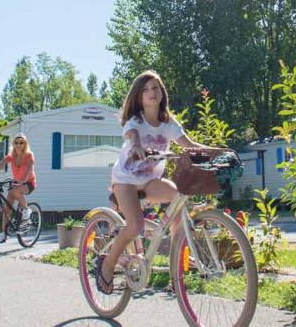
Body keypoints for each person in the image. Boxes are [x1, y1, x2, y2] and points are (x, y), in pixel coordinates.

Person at [94, 70, 225, 294]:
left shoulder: (168, 122)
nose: (151, 93)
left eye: (155, 88)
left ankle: (176, 267)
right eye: (145, 90)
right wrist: (136, 146)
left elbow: (188, 144)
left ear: (162, 92)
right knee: (135, 225)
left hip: (150, 180)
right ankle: (107, 263)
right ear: (139, 97)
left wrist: (216, 153)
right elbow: (133, 135)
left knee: (178, 200)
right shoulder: (136, 120)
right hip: (126, 180)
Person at [0, 134, 37, 242]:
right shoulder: (11, 156)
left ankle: (26, 210)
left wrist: (23, 180)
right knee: (6, 209)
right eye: (16, 143)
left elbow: (29, 169)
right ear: (13, 144)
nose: (18, 145)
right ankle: (4, 233)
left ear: (25, 144)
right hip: (16, 183)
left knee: (15, 190)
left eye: (21, 143)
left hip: (28, 183)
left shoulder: (29, 155)